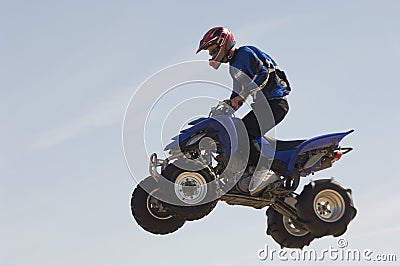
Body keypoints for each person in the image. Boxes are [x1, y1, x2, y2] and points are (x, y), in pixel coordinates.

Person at [196, 26, 291, 195]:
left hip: (275, 103)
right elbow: (238, 95)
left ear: (222, 44)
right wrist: (227, 107)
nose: (211, 56)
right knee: (237, 131)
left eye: (212, 51)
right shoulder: (234, 67)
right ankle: (245, 174)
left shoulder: (245, 53)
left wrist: (242, 95)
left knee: (245, 133)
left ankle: (264, 171)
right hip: (264, 105)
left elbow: (263, 75)